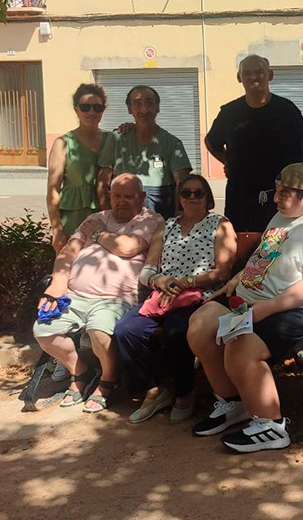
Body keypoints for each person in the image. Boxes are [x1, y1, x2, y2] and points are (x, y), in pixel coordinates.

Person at [186, 163, 303, 453]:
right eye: (276, 192)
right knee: (200, 327)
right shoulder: (281, 215)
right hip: (249, 298)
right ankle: (235, 403)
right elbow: (265, 254)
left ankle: (271, 426)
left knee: (240, 348)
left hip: (288, 307)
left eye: (283, 193)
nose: (276, 199)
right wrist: (240, 277)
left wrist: (267, 308)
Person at [32, 174, 163, 413]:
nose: (122, 201)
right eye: (117, 196)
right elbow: (67, 252)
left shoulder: (150, 219)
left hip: (115, 298)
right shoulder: (95, 218)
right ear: (110, 196)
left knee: (99, 330)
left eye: (129, 196)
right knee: (43, 330)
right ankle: (80, 371)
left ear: (142, 197)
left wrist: (98, 234)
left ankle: (107, 380)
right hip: (74, 294)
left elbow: (128, 247)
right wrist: (58, 283)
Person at [115, 175, 237, 424]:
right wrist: (157, 281)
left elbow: (223, 271)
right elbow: (149, 268)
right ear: (179, 198)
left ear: (208, 198)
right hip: (164, 295)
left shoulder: (220, 224)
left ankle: (184, 392)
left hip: (200, 296)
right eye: (186, 193)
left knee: (176, 330)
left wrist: (190, 282)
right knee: (126, 330)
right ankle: (154, 390)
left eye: (198, 193)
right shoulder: (167, 226)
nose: (192, 197)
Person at [205, 54, 303, 232]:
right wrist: (228, 161)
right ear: (239, 77)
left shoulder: (287, 111)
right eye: (247, 73)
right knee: (243, 249)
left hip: (283, 194)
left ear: (270, 75)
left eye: (259, 72)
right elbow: (211, 141)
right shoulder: (230, 113)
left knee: (283, 247)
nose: (253, 77)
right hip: (241, 197)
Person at [98, 85, 192, 219]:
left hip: (161, 218)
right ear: (129, 109)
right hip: (123, 220)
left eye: (149, 103)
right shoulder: (116, 140)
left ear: (158, 107)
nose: (144, 109)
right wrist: (108, 216)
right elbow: (102, 182)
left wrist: (179, 218)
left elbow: (183, 184)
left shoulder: (172, 144)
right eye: (137, 104)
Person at [47, 83, 111, 252]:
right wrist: (57, 229)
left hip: (106, 214)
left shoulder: (112, 140)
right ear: (76, 110)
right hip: (74, 216)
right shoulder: (63, 143)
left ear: (103, 110)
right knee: (71, 267)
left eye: (97, 107)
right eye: (85, 107)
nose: (91, 112)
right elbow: (53, 190)